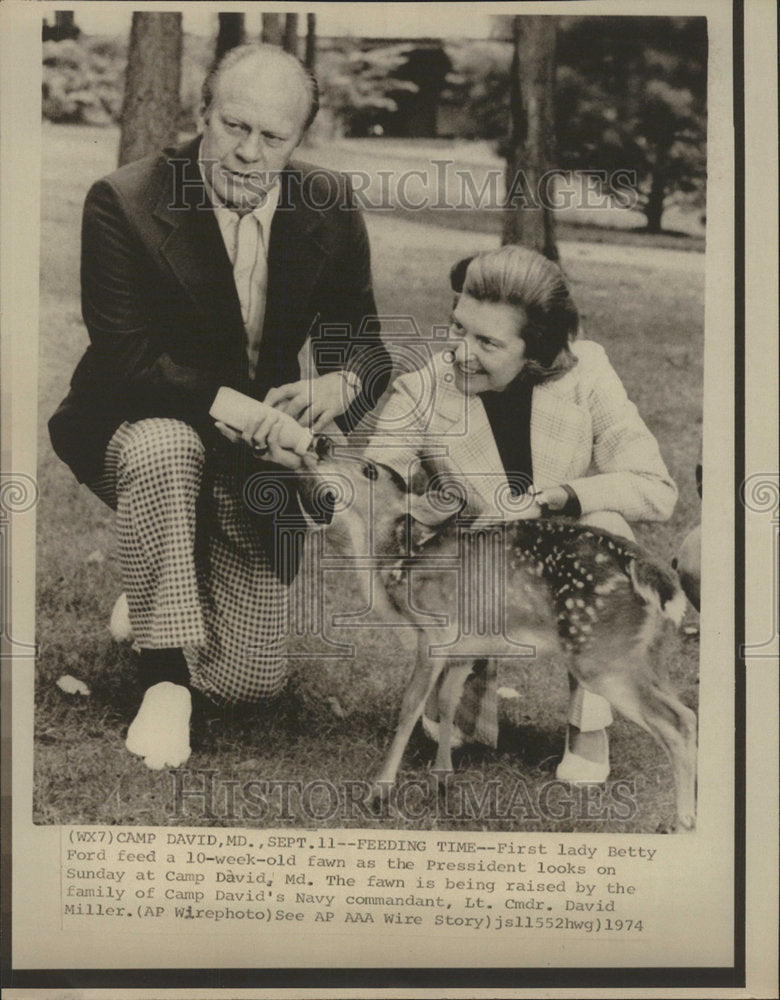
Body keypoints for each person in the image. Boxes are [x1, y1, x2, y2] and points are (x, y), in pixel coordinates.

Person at [48, 44, 391, 770]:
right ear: (202, 114)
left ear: (299, 141)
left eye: (273, 137)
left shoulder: (326, 204)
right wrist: (246, 408)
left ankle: (154, 584)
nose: (248, 152)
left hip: (250, 461)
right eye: (234, 126)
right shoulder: (126, 200)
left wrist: (340, 384)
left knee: (247, 683)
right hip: (130, 426)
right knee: (167, 447)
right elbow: (128, 357)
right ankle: (164, 678)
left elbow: (365, 349)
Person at [360, 245, 678, 782]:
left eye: (487, 342)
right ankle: (464, 695)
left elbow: (656, 489)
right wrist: (302, 455)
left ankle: (589, 722)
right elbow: (371, 478)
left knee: (606, 528)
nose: (460, 352)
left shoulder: (588, 371)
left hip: (561, 566)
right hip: (474, 572)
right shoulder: (422, 387)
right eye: (458, 327)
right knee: (460, 559)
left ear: (537, 348)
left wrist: (558, 498)